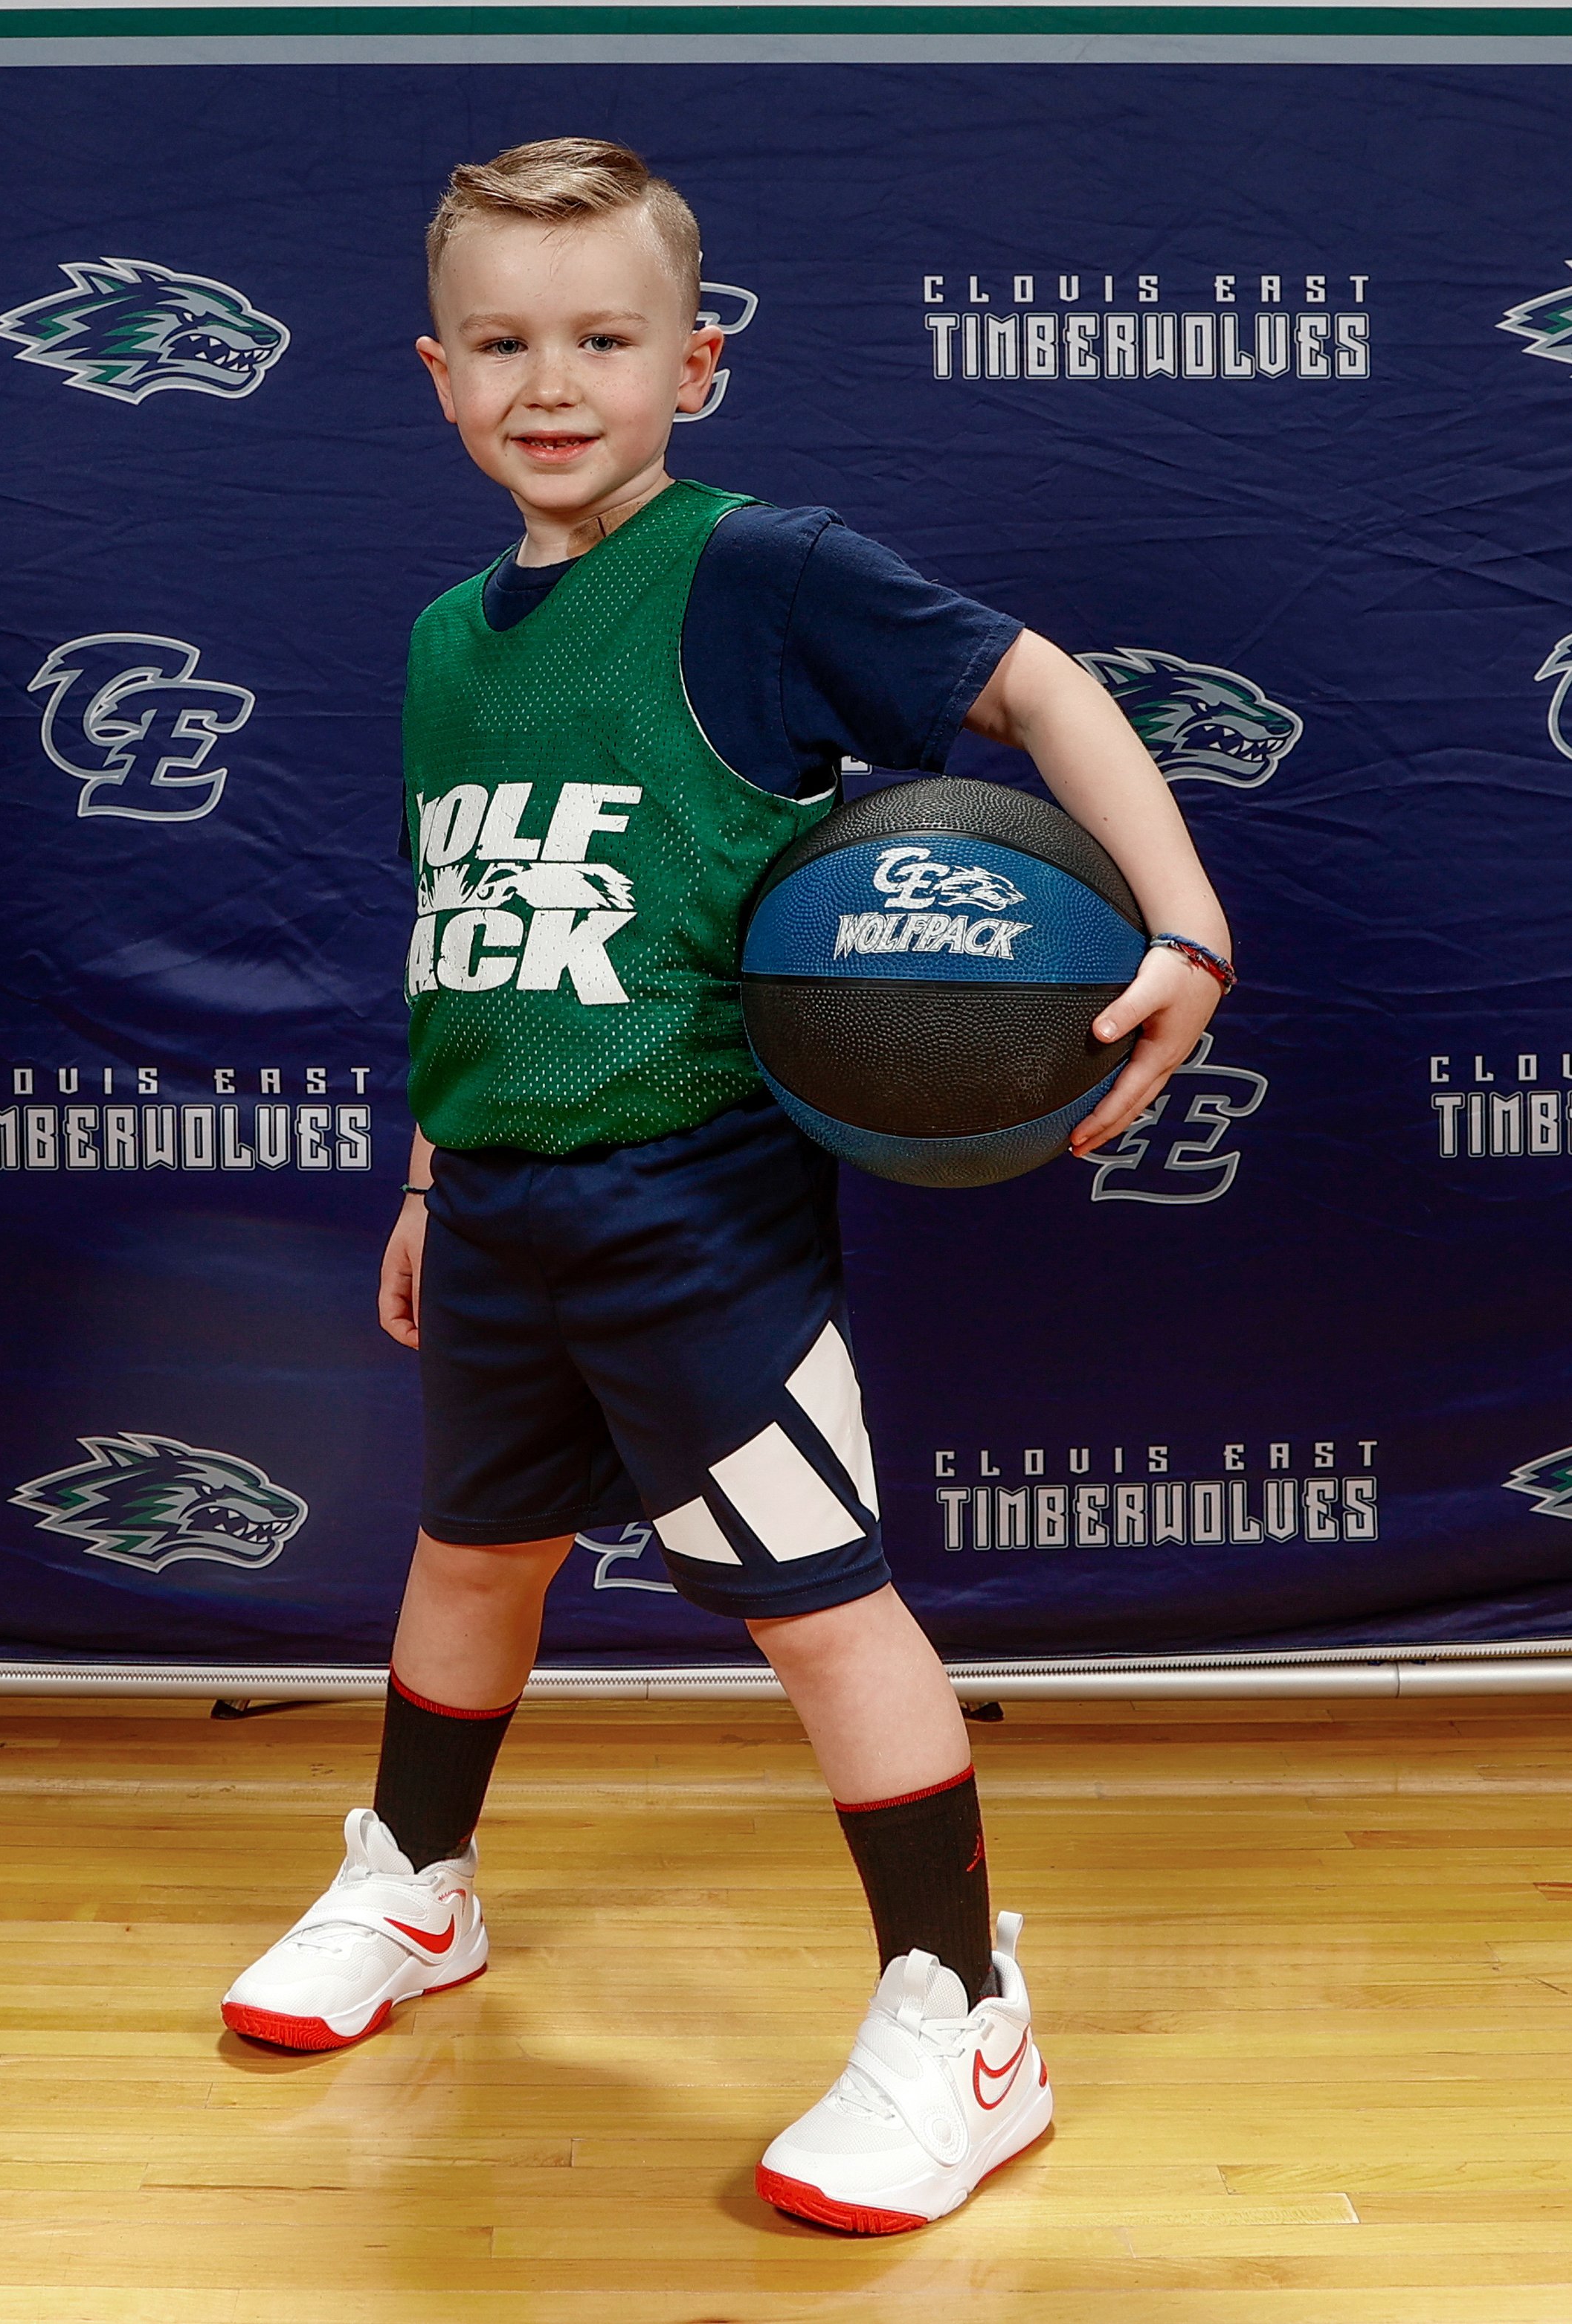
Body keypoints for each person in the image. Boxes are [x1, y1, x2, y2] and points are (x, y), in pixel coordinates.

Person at [223, 136, 1232, 2236]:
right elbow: (474, 929)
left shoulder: (755, 574)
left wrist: (1188, 930)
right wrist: (426, 1173)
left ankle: (968, 2018)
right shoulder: (441, 639)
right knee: (472, 1555)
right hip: (498, 1195)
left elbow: (1033, 685)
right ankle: (417, 1883)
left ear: (696, 364)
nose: (552, 384)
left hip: (696, 1197)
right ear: (435, 372)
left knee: (814, 1601)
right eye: (502, 343)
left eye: (604, 340)